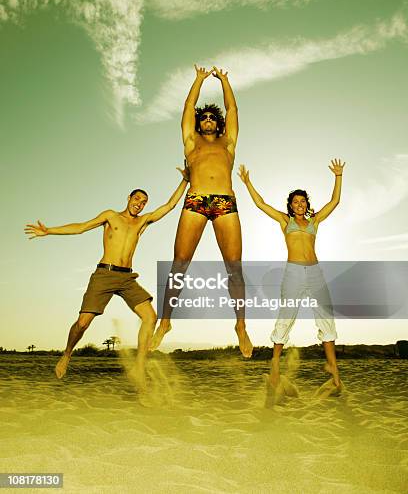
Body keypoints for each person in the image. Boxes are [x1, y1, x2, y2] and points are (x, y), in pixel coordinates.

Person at [24, 167, 190, 384]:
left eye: (144, 202)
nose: (139, 203)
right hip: (105, 274)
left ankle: (139, 366)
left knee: (150, 317)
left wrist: (185, 181)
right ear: (129, 198)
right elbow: (81, 227)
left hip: (128, 278)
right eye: (137, 198)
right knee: (83, 323)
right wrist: (49, 231)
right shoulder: (110, 216)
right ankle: (66, 354)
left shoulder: (142, 222)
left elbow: (170, 206)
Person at [150, 65, 253, 357]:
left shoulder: (228, 144)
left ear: (218, 123)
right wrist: (197, 80)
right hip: (195, 200)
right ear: (198, 123)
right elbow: (187, 106)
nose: (207, 119)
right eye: (203, 117)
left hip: (224, 202)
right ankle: (165, 321)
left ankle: (241, 326)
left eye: (212, 117)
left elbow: (232, 108)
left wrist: (224, 81)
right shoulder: (190, 143)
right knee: (179, 264)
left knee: (234, 268)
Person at [239, 159, 345, 390]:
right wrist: (248, 183)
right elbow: (260, 203)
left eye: (302, 200)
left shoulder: (314, 221)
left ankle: (333, 368)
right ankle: (275, 363)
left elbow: (335, 201)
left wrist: (338, 176)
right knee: (286, 316)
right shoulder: (284, 221)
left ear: (307, 203)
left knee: (326, 316)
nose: (299, 204)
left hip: (315, 272)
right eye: (295, 201)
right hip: (294, 273)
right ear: (290, 205)